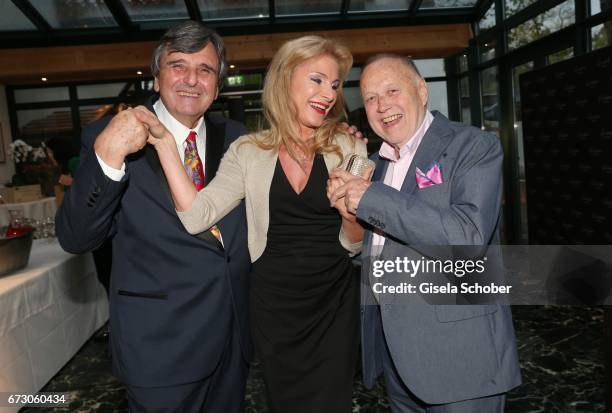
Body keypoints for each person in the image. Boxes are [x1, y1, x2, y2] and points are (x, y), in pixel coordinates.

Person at [139, 35, 368, 412]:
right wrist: (164, 145)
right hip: (273, 306)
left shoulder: (350, 147)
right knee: (285, 401)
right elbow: (198, 215)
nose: (327, 92)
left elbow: (353, 243)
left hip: (334, 302)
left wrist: (350, 215)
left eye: (334, 84)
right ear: (285, 79)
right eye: (316, 79)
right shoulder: (247, 151)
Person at [55, 21, 252, 412]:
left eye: (205, 70)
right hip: (161, 347)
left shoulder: (238, 137)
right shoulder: (110, 137)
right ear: (157, 75)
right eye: (178, 66)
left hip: (233, 342)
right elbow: (76, 238)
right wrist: (109, 155)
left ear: (218, 83)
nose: (192, 80)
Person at [329, 54, 522, 412]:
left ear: (421, 91)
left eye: (391, 90)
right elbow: (375, 255)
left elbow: (467, 237)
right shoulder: (377, 163)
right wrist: (349, 214)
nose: (381, 105)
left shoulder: (473, 146)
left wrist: (370, 197)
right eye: (370, 98)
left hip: (462, 360)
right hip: (398, 362)